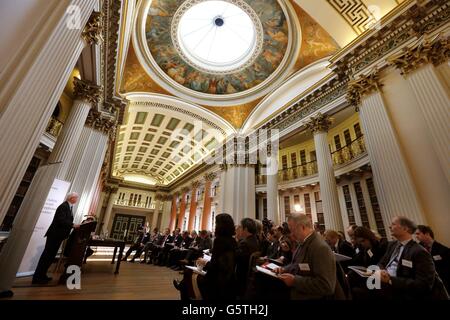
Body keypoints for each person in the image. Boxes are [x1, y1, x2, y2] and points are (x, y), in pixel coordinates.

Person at [175, 213, 237, 300]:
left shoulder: (219, 241)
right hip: (229, 281)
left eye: (216, 223)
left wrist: (205, 262)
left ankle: (182, 288)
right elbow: (224, 263)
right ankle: (182, 286)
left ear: (220, 226)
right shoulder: (233, 241)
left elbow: (215, 266)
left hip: (216, 281)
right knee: (188, 276)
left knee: (188, 275)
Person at [275, 214, 337, 300]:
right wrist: (284, 269)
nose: (291, 235)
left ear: (302, 227)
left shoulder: (320, 247)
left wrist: (294, 281)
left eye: (292, 230)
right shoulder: (302, 242)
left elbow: (326, 285)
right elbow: (296, 264)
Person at [376, 217, 436, 299]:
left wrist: (390, 280)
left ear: (405, 228)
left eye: (393, 224)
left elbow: (423, 285)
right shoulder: (392, 245)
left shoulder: (419, 252)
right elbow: (382, 262)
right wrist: (381, 270)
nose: (389, 227)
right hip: (382, 282)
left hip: (399, 290)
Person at [32, 192, 80, 284]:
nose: (76, 199)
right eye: (76, 198)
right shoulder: (63, 206)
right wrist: (73, 225)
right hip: (54, 235)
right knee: (46, 256)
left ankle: (42, 275)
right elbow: (61, 220)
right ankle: (37, 277)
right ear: (71, 198)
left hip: (58, 236)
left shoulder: (68, 207)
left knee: (50, 257)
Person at [415, 225, 450, 292]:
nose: (416, 236)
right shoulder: (417, 249)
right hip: (425, 286)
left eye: (418, 234)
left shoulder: (444, 250)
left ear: (427, 234)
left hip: (443, 286)